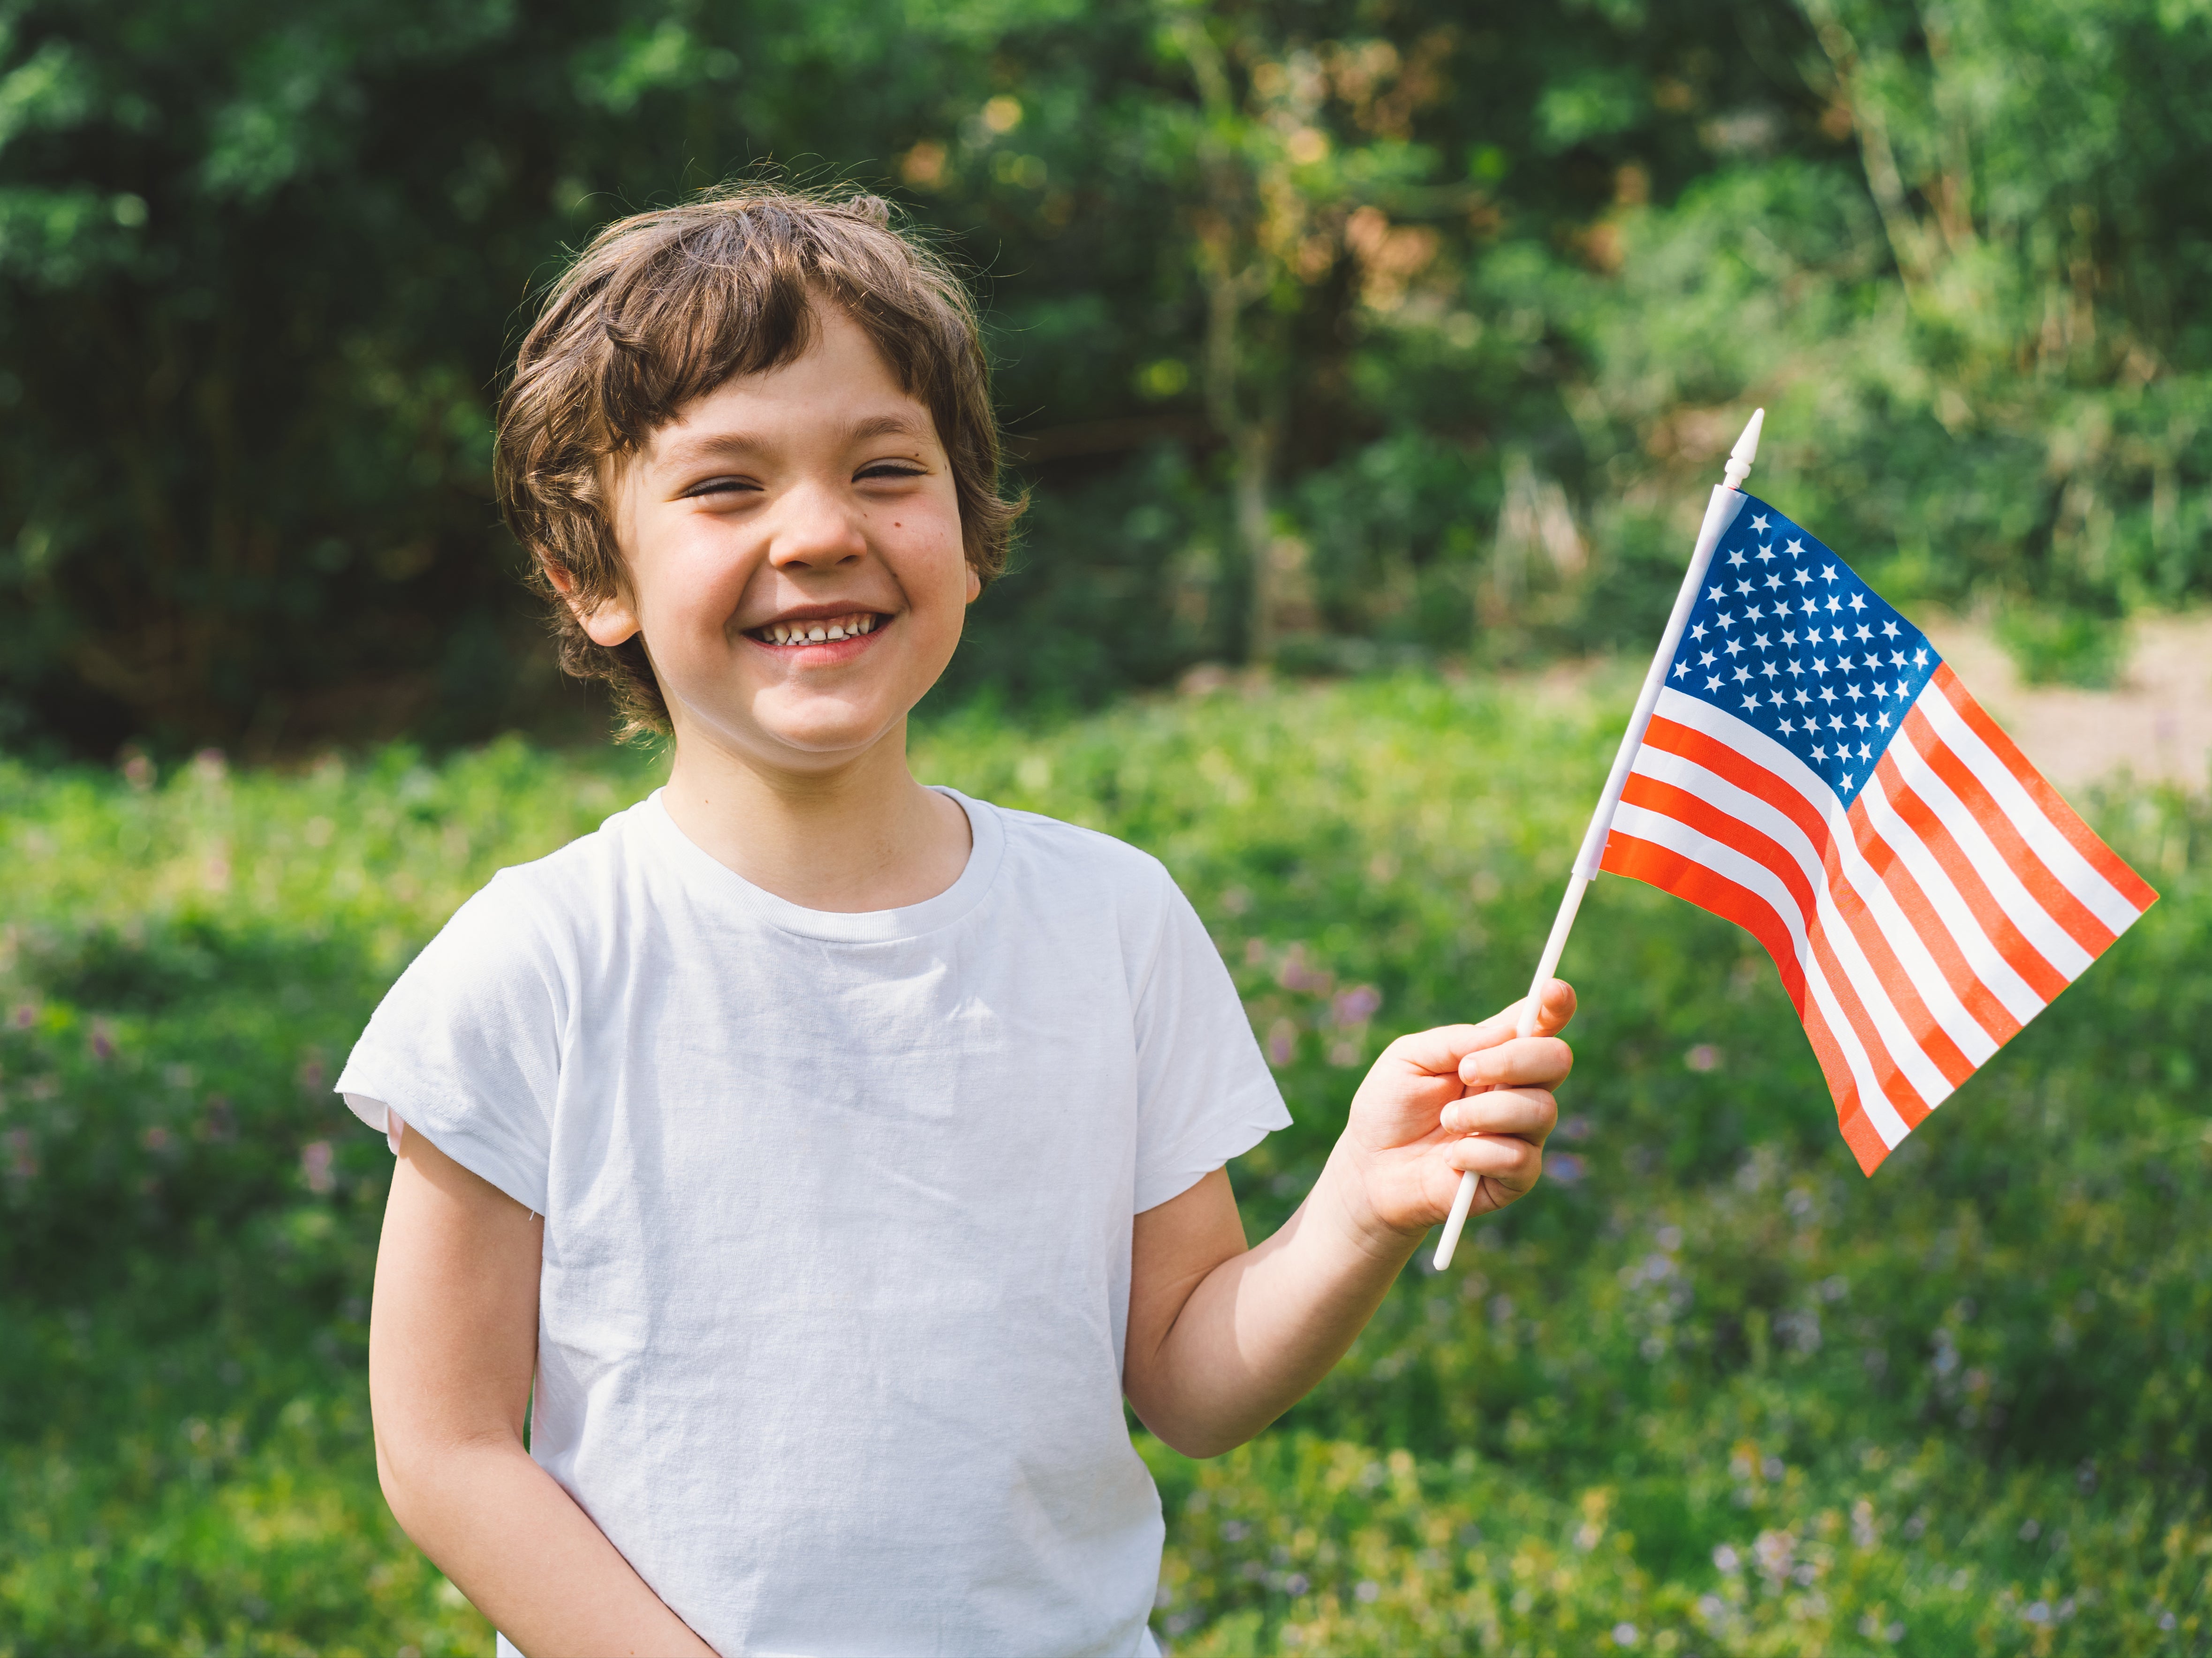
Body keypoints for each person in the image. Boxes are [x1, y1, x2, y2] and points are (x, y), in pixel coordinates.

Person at [341, 185, 1574, 1658]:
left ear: (974, 534)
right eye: (726, 487)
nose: (817, 533)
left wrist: (1359, 1207)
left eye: (883, 470)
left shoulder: (1109, 919)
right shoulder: (536, 961)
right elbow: (445, 1451)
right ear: (593, 577)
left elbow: (1187, 1377)